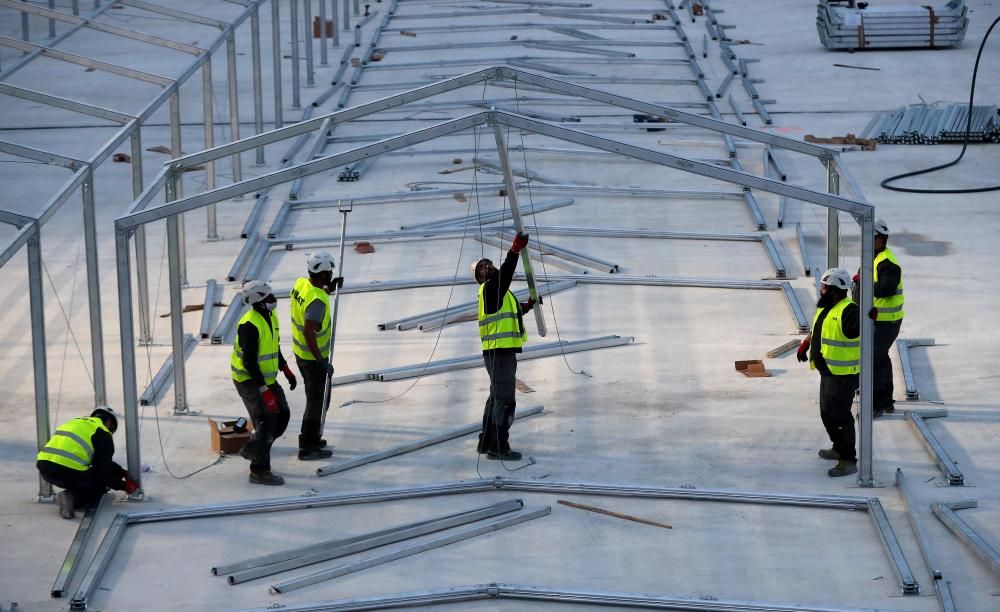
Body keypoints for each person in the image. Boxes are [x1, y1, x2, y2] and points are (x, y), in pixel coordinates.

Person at [471, 231, 537, 461]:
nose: (487, 267)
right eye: (482, 268)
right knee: (505, 400)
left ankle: (485, 442)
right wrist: (515, 250)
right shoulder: (490, 288)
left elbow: (509, 311)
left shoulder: (500, 293)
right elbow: (506, 274)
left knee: (495, 397)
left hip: (500, 352)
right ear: (480, 278)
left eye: (488, 263)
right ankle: (499, 446)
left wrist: (526, 307)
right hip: (499, 352)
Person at [231, 280, 297, 485]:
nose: (274, 299)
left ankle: (254, 448)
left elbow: (272, 345)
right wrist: (264, 392)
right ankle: (259, 470)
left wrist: (285, 368)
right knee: (266, 420)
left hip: (267, 377)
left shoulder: (270, 315)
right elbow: (249, 363)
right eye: (269, 297)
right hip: (248, 379)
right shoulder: (249, 325)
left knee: (283, 415)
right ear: (258, 302)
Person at [797, 268, 861, 478]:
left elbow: (863, 332)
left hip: (843, 374)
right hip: (827, 371)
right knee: (826, 413)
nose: (821, 290)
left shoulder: (850, 311)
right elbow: (819, 328)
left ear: (835, 289)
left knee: (840, 415)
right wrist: (806, 343)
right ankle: (837, 448)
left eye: (825, 287)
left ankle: (848, 459)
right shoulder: (827, 307)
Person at [36, 407, 138, 519]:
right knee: (99, 486)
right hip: (68, 470)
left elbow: (101, 462)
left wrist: (121, 472)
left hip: (44, 467)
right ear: (109, 422)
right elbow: (102, 472)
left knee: (89, 475)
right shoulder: (103, 432)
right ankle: (72, 497)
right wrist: (124, 486)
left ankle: (71, 494)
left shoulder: (75, 422)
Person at [289, 252, 343, 461]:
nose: (331, 275)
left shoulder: (302, 283)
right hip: (313, 359)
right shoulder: (318, 301)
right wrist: (321, 361)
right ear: (321, 274)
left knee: (317, 399)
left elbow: (313, 295)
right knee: (317, 402)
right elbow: (308, 331)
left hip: (301, 354)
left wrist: (330, 288)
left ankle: (313, 436)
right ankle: (307, 446)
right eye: (328, 273)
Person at [852, 219, 904, 418]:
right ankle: (885, 401)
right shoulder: (871, 258)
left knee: (873, 359)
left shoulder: (887, 262)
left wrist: (863, 284)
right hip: (876, 319)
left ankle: (876, 404)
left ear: (880, 240)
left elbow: (887, 289)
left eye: (869, 238)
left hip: (886, 321)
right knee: (879, 358)